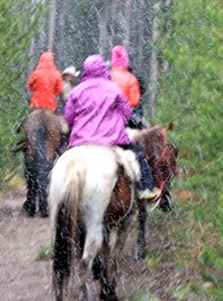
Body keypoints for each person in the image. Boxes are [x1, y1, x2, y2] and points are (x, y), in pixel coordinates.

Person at [64, 54, 160, 199]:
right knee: (139, 156)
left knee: (61, 158)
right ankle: (145, 189)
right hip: (111, 140)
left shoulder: (77, 90)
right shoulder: (114, 89)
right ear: (103, 69)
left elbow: (69, 117)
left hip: (82, 140)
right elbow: (127, 113)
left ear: (85, 70)